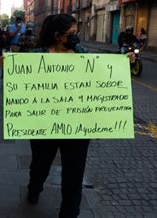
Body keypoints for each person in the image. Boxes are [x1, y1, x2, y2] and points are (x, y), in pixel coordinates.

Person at [26, 14, 135, 218]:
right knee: (40, 165)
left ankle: (69, 213)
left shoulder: (80, 52)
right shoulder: (37, 55)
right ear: (58, 36)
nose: (76, 38)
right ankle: (34, 187)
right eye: (71, 34)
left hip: (77, 124)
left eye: (77, 33)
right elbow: (21, 80)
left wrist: (123, 62)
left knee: (74, 175)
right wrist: (7, 64)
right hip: (44, 123)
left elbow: (103, 68)